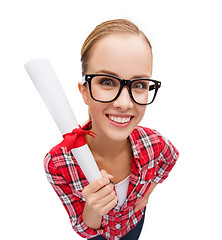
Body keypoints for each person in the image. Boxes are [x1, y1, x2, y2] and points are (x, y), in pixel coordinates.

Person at [44, 19, 179, 240]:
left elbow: (171, 157)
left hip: (134, 221)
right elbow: (83, 228)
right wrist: (93, 208)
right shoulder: (58, 163)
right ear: (85, 91)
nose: (124, 103)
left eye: (139, 85)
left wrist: (147, 193)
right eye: (107, 82)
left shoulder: (154, 142)